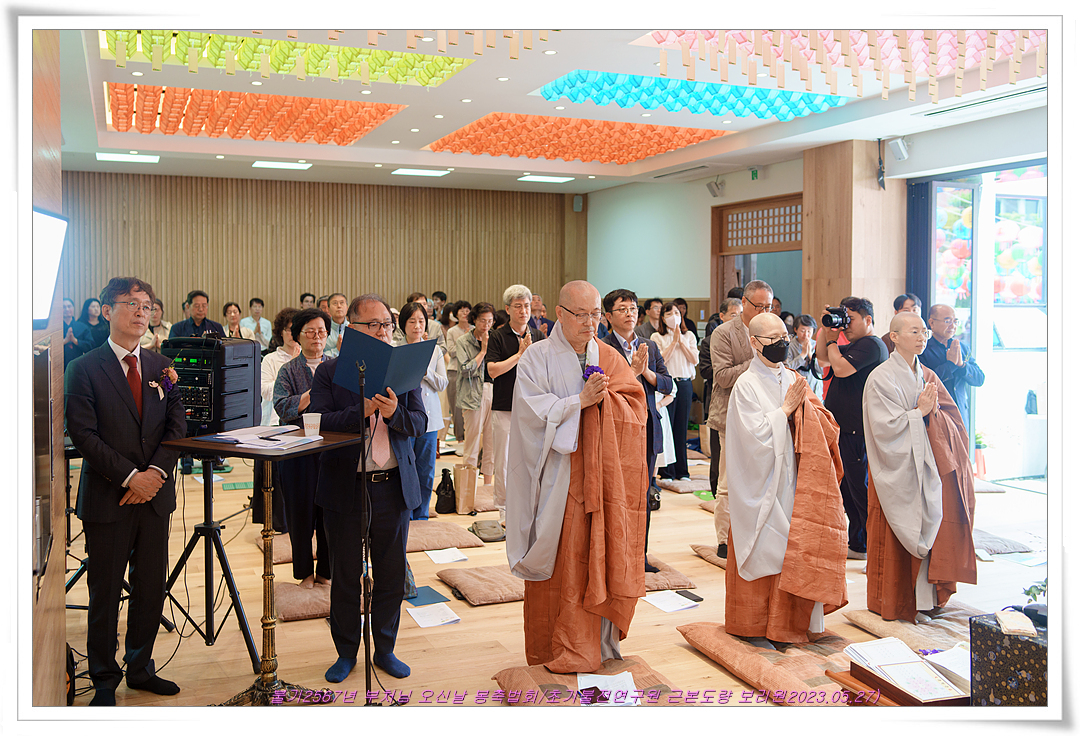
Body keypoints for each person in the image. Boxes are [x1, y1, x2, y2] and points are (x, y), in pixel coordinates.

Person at [506, 280, 648, 673]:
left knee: (600, 555)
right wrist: (579, 402)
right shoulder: (536, 358)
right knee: (564, 560)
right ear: (560, 313)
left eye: (595, 315)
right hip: (557, 479)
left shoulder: (608, 355)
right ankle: (556, 646)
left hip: (602, 481)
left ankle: (598, 644)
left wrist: (608, 401)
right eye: (581, 315)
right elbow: (531, 416)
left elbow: (635, 407)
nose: (589, 323)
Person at [64, 277, 187, 705]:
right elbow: (83, 434)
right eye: (131, 303)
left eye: (146, 305)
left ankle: (140, 667)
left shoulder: (161, 366)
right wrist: (131, 477)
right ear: (107, 310)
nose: (141, 311)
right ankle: (103, 679)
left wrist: (154, 473)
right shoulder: (83, 367)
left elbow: (177, 426)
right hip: (108, 497)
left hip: (154, 498)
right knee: (105, 592)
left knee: (150, 587)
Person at [308, 294, 426, 683]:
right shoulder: (329, 372)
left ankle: (385, 649)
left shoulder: (403, 370)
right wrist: (359, 412)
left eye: (387, 325)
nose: (382, 332)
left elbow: (420, 423)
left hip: (392, 486)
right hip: (346, 487)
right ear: (352, 329)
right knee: (345, 575)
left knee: (391, 574)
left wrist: (395, 414)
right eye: (373, 325)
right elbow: (318, 422)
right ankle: (346, 652)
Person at [725, 313, 847, 645]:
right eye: (773, 339)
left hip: (796, 477)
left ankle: (794, 623)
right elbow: (751, 439)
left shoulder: (794, 377)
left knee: (798, 548)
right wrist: (783, 414)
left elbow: (823, 421)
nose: (781, 344)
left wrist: (808, 414)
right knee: (770, 547)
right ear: (754, 343)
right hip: (763, 482)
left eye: (784, 337)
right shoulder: (746, 385)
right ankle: (757, 625)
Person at [863, 312, 977, 623]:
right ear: (894, 337)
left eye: (924, 331)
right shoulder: (881, 377)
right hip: (896, 468)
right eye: (914, 331)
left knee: (932, 524)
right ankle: (895, 602)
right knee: (894, 536)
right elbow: (883, 428)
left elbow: (952, 418)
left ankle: (924, 601)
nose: (921, 337)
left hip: (926, 466)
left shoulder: (926, 375)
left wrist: (931, 414)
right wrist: (919, 413)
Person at [602, 288, 673, 573]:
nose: (629, 314)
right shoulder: (601, 347)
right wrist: (631, 372)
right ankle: (613, 556)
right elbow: (603, 387)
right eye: (622, 309)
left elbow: (667, 383)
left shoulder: (649, 346)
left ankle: (639, 556)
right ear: (608, 316)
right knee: (616, 495)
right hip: (617, 430)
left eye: (632, 308)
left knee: (644, 494)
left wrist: (645, 372)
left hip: (647, 427)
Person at [816, 296, 890, 562]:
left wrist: (833, 340)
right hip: (844, 429)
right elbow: (823, 359)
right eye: (844, 318)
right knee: (847, 488)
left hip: (857, 430)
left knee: (860, 489)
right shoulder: (855, 344)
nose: (846, 325)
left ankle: (875, 546)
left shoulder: (872, 345)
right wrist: (826, 329)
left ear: (868, 319)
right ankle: (858, 543)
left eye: (851, 319)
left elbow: (840, 368)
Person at [707, 280, 774, 558]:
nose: (764, 312)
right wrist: (759, 358)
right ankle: (724, 539)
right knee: (727, 481)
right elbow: (722, 377)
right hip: (730, 417)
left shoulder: (773, 330)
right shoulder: (724, 333)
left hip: (766, 416)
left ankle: (758, 534)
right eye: (759, 306)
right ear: (744, 303)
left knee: (762, 479)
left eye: (769, 307)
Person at [273, 308, 332, 587]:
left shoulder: (336, 366)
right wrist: (310, 395)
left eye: (321, 331)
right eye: (310, 331)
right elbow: (281, 406)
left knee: (330, 514)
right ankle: (304, 573)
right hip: (297, 452)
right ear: (297, 336)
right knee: (300, 515)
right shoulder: (288, 370)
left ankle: (326, 572)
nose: (317, 337)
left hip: (331, 449)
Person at [486, 284, 546, 524]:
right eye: (518, 306)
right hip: (505, 406)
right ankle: (504, 508)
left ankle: (530, 505)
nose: (524, 311)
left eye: (527, 306)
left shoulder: (538, 336)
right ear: (508, 309)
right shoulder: (498, 336)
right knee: (503, 460)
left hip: (532, 407)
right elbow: (492, 370)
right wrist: (519, 355)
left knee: (532, 457)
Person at [400, 301, 447, 520]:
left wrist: (424, 370)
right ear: (403, 324)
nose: (417, 326)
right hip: (404, 418)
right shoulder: (396, 349)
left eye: (421, 321)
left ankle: (422, 514)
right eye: (412, 321)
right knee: (405, 468)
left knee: (426, 469)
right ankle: (405, 513)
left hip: (430, 418)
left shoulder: (434, 350)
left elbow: (442, 383)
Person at [652, 301, 698, 482]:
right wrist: (673, 342)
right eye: (669, 313)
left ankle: (682, 471)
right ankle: (667, 472)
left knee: (681, 428)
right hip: (667, 386)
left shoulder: (689, 335)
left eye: (677, 313)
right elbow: (660, 360)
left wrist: (681, 341)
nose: (674, 316)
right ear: (663, 318)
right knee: (667, 428)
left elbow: (694, 359)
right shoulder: (657, 336)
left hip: (685, 384)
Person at [921, 304, 985, 428]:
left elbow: (979, 379)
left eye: (955, 321)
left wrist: (961, 365)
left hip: (961, 413)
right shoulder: (923, 349)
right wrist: (950, 365)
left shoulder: (962, 347)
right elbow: (926, 382)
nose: (953, 326)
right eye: (947, 321)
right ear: (932, 323)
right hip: (937, 415)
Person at [457, 303, 496, 484]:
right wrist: (483, 351)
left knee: (491, 444)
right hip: (472, 395)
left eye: (490, 321)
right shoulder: (464, 341)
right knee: (472, 443)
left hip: (495, 393)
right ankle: (467, 488)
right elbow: (465, 371)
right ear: (474, 319)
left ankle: (488, 486)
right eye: (482, 321)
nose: (486, 325)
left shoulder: (496, 338)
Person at [699, 298, 742, 426]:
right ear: (722, 316)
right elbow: (705, 371)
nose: (737, 319)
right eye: (733, 315)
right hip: (718, 395)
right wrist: (725, 368)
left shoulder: (747, 339)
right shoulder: (709, 341)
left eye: (740, 315)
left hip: (741, 395)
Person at [260, 308, 301, 427]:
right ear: (281, 332)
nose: (293, 334)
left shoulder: (307, 358)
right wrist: (290, 368)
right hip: (273, 422)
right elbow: (265, 392)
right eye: (289, 329)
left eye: (296, 329)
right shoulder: (270, 359)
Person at [445, 301, 472, 445]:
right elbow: (451, 351)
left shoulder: (475, 329)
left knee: (472, 406)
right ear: (456, 314)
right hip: (455, 371)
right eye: (462, 311)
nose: (465, 313)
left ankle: (471, 438)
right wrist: (465, 341)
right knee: (456, 406)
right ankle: (460, 438)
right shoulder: (452, 331)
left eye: (467, 310)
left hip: (472, 372)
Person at [785, 314, 823, 397]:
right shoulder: (790, 346)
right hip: (796, 387)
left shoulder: (817, 345)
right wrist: (802, 355)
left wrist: (810, 355)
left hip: (815, 388)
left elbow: (822, 370)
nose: (806, 335)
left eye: (809, 331)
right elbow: (787, 368)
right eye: (802, 331)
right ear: (795, 329)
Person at [63, 297, 94, 366]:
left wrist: (75, 340)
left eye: (69, 306)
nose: (67, 309)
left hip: (78, 364)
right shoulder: (55, 329)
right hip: (59, 364)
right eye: (64, 307)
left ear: (73, 308)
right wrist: (65, 341)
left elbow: (90, 346)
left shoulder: (83, 327)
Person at [322, 293, 349, 358]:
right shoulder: (323, 329)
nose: (339, 306)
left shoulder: (353, 328)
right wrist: (337, 350)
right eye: (335, 303)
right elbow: (319, 354)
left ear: (347, 308)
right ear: (328, 309)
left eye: (342, 303)